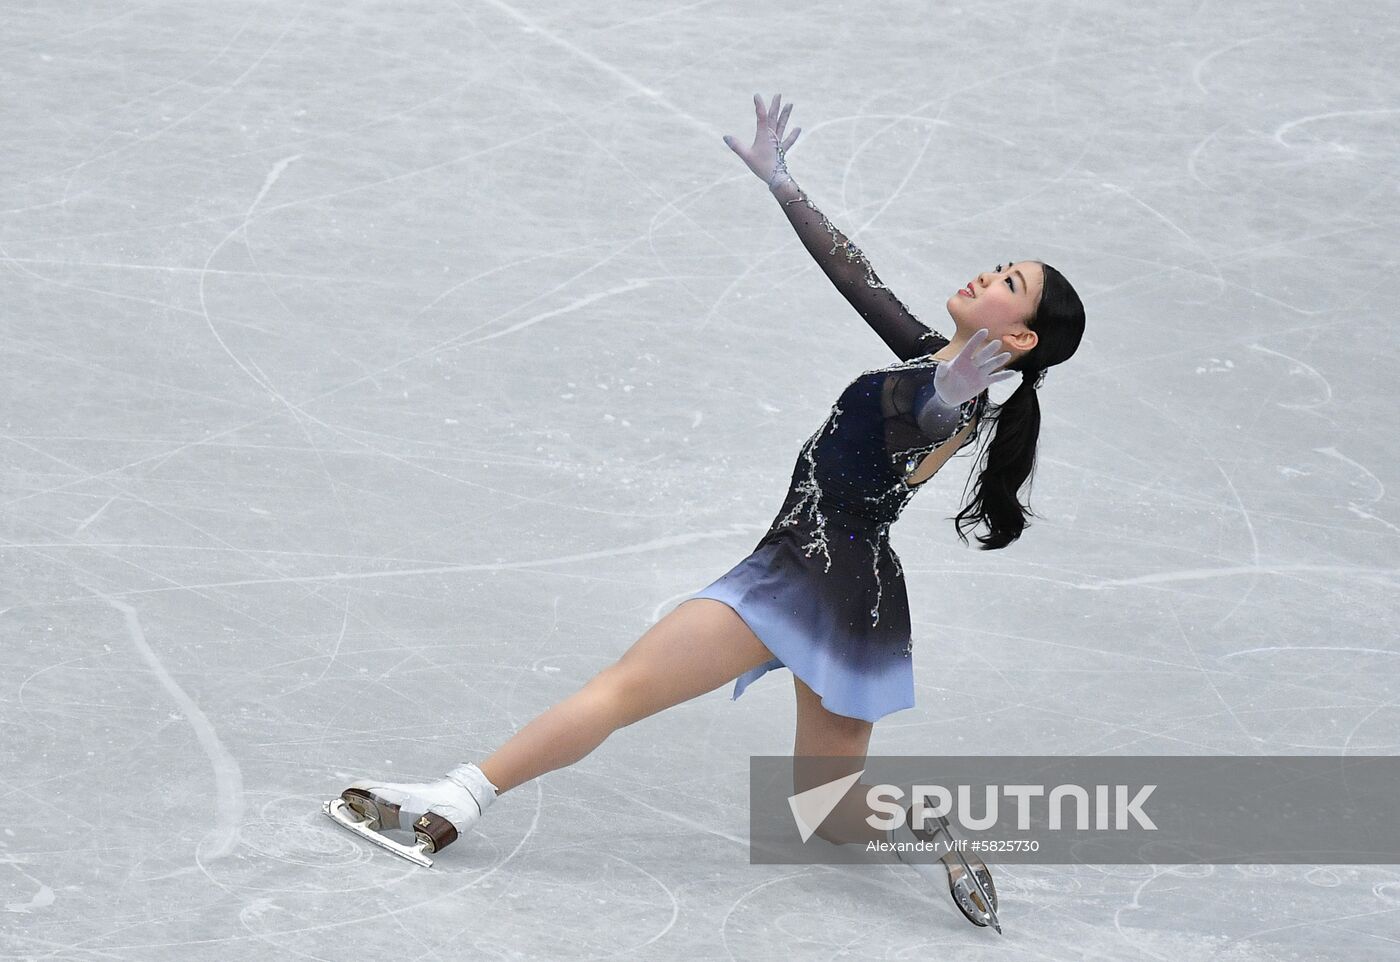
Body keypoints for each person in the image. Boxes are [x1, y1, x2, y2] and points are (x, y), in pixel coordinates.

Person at [324, 93, 1085, 933]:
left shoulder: (949, 391)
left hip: (805, 575)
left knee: (619, 689)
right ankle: (922, 821)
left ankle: (453, 805)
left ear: (1017, 340)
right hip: (864, 595)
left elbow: (931, 410)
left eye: (1007, 284)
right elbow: (855, 276)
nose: (987, 274)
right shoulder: (928, 360)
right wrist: (784, 186)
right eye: (1001, 264)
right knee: (828, 810)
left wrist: (951, 387)